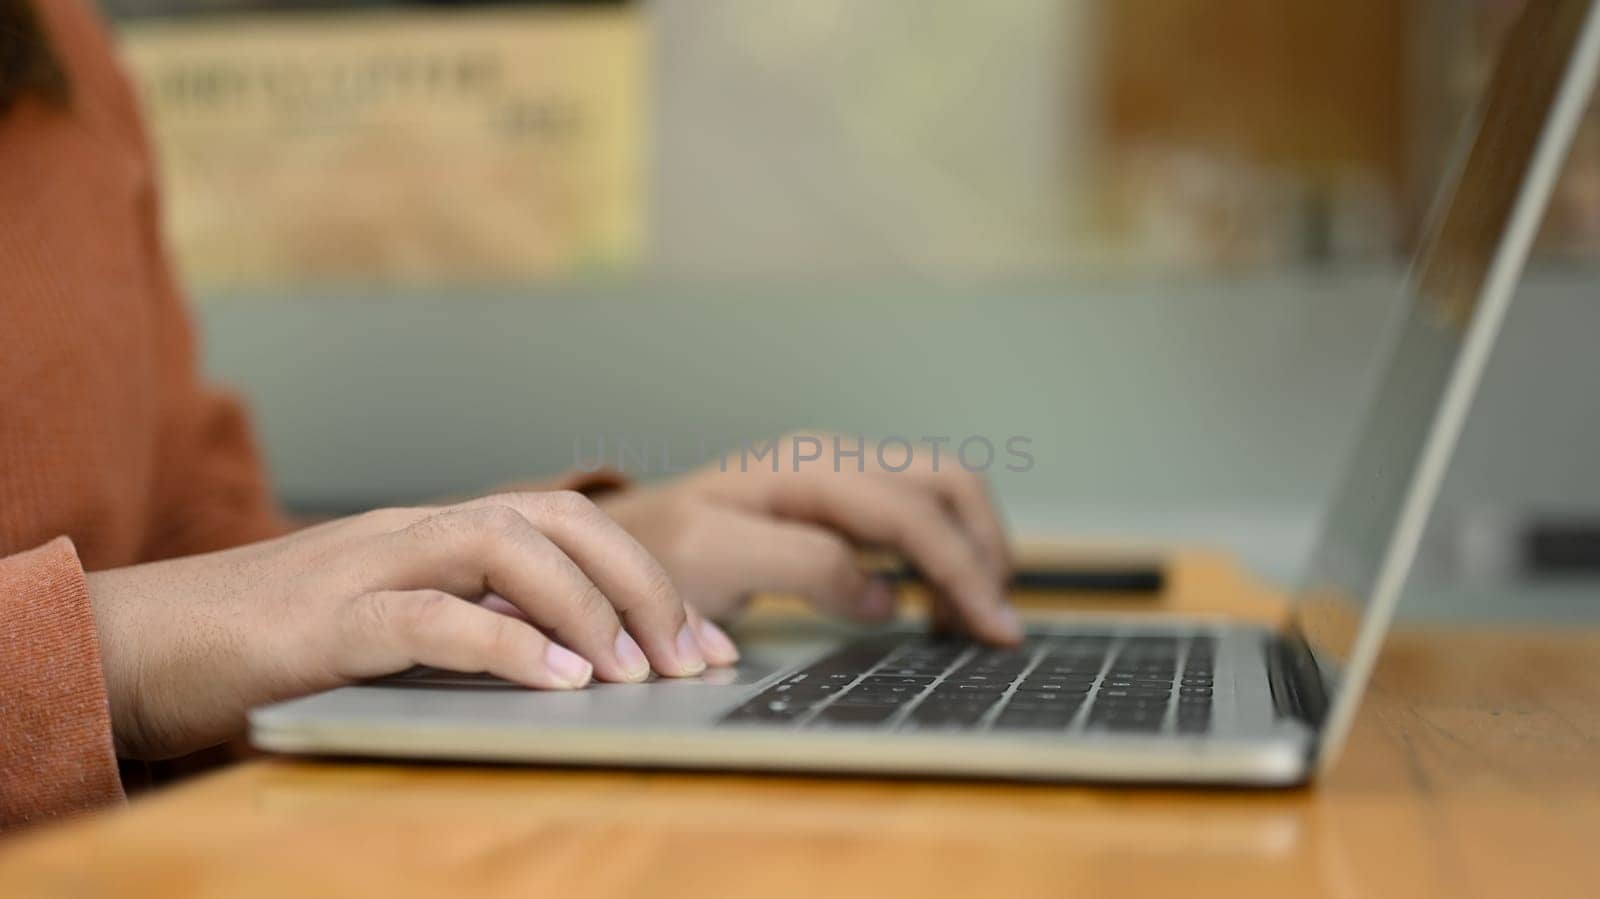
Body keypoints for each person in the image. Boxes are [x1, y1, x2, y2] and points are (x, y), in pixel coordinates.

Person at [0, 0, 1018, 830]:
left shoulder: (63, 46)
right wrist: (104, 650)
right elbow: (162, 621)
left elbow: (199, 557)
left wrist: (592, 551)